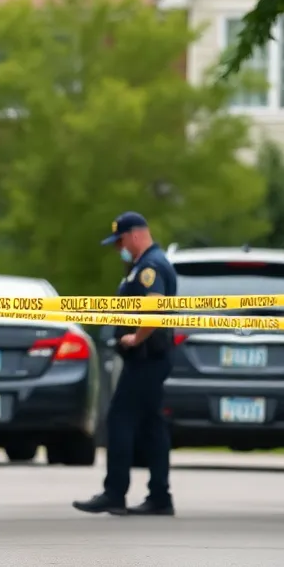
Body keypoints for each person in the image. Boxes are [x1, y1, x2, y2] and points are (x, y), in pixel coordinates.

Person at [74, 211, 178, 517]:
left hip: (146, 358)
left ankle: (114, 493)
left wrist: (137, 337)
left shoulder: (150, 266)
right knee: (152, 427)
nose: (120, 247)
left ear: (134, 234)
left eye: (120, 240)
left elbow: (154, 306)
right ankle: (160, 495)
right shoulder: (146, 264)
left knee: (120, 420)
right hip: (151, 359)